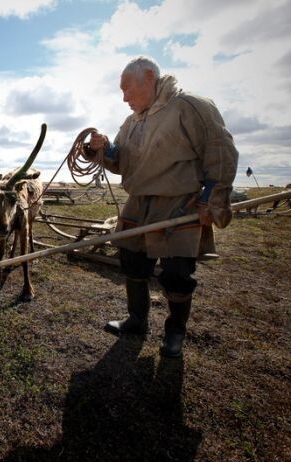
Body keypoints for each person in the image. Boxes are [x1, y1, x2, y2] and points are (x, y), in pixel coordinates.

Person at [86, 56, 238, 358]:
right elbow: (120, 162)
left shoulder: (191, 106)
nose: (124, 97)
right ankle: (137, 321)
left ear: (149, 77)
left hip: (179, 203)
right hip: (138, 202)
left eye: (127, 89)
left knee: (177, 272)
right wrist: (102, 149)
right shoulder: (131, 122)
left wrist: (213, 196)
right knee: (131, 260)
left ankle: (175, 333)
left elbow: (220, 151)